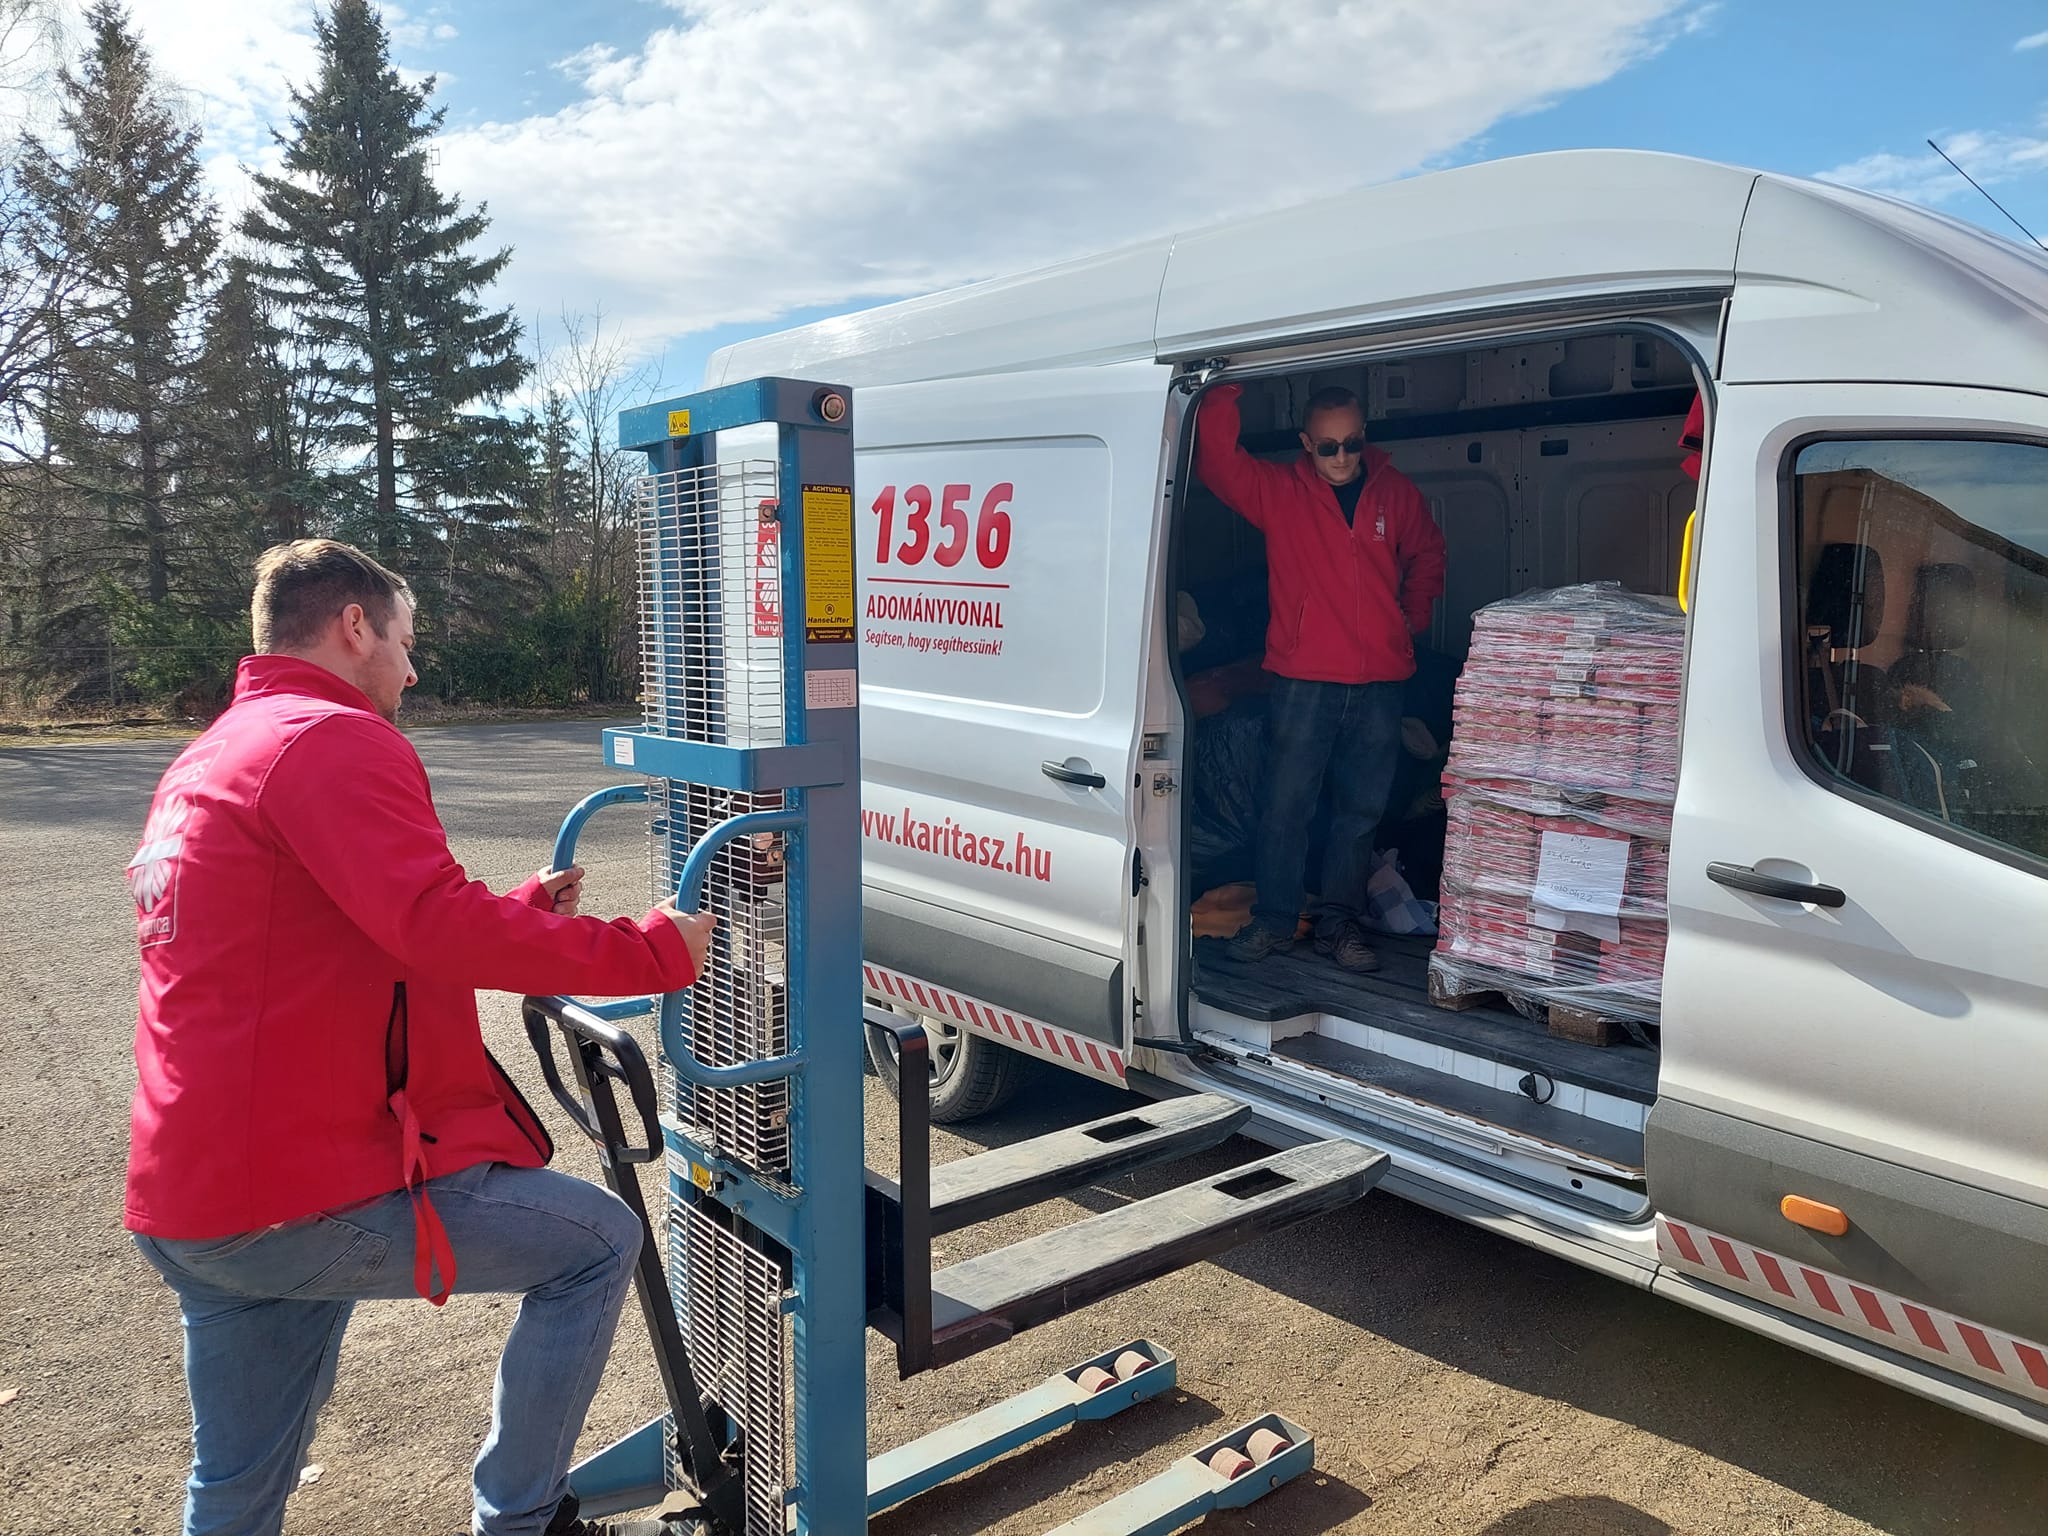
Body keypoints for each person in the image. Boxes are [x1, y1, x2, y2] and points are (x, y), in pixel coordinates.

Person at [124, 540, 717, 1536]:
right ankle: (520, 1521)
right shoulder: (330, 738)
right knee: (596, 1244)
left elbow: (339, 934)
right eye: (405, 643)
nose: (411, 670)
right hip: (291, 1194)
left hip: (193, 1198)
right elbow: (432, 924)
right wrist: (650, 951)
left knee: (235, 1487)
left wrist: (518, 910)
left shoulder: (215, 753)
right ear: (354, 626)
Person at [1193, 382, 1446, 971]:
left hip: (1381, 680)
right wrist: (1221, 387)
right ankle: (1275, 921)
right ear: (1306, 443)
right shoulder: (1280, 492)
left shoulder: (1395, 493)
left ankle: (1340, 927)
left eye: (1352, 444)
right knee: (1287, 807)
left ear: (1364, 436)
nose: (1342, 458)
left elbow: (1429, 553)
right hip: (1303, 681)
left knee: (1360, 813)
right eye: (1328, 447)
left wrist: (1411, 617)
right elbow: (1219, 465)